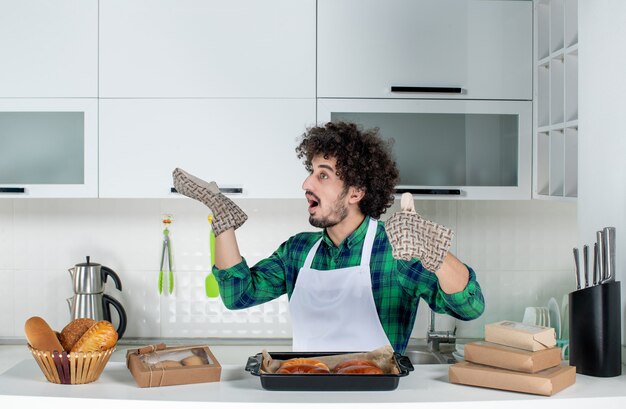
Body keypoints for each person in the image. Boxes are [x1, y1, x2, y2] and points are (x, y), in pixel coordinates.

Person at [172, 121, 484, 354]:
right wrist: (220, 215)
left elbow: (470, 307)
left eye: (323, 174)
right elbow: (237, 295)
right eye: (310, 171)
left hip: (376, 401)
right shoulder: (298, 251)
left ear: (356, 192)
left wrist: (434, 252)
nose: (306, 183)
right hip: (308, 395)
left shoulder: (397, 249)